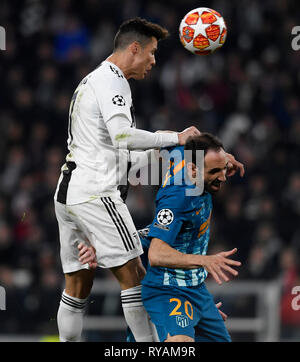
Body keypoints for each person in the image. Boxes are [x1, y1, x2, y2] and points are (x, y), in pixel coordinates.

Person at [54, 17, 202, 342]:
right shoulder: (113, 81)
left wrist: (166, 149)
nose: (153, 61)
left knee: (78, 284)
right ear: (134, 48)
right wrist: (174, 138)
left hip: (68, 194)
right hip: (96, 194)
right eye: (151, 53)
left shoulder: (91, 81)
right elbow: (122, 135)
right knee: (135, 275)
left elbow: (116, 149)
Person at [138, 133, 242, 342]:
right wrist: (206, 261)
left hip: (197, 291)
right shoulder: (178, 199)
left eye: (223, 170)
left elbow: (165, 141)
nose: (222, 177)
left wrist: (226, 159)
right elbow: (156, 254)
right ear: (193, 170)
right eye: (215, 171)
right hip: (168, 290)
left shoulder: (186, 155)